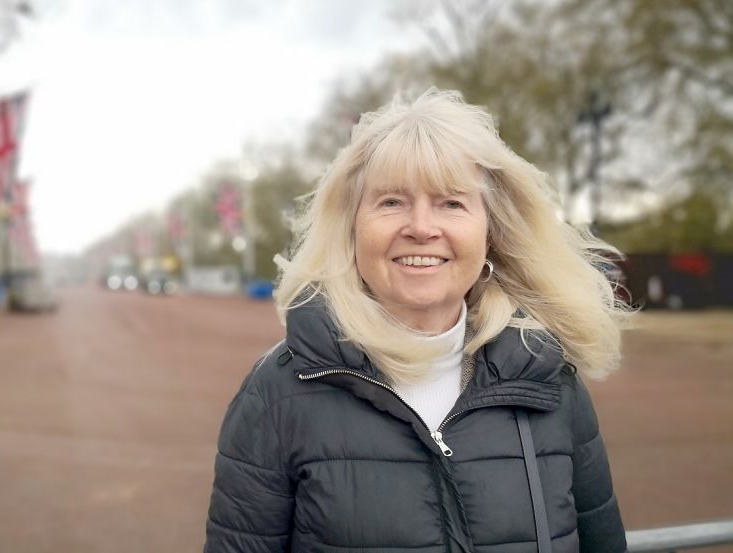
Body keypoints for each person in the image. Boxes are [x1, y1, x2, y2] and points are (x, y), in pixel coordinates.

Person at [204, 89, 631, 553]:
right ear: (350, 228)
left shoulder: (552, 381)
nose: (422, 227)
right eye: (391, 202)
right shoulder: (275, 395)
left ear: (491, 231)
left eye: (451, 203)